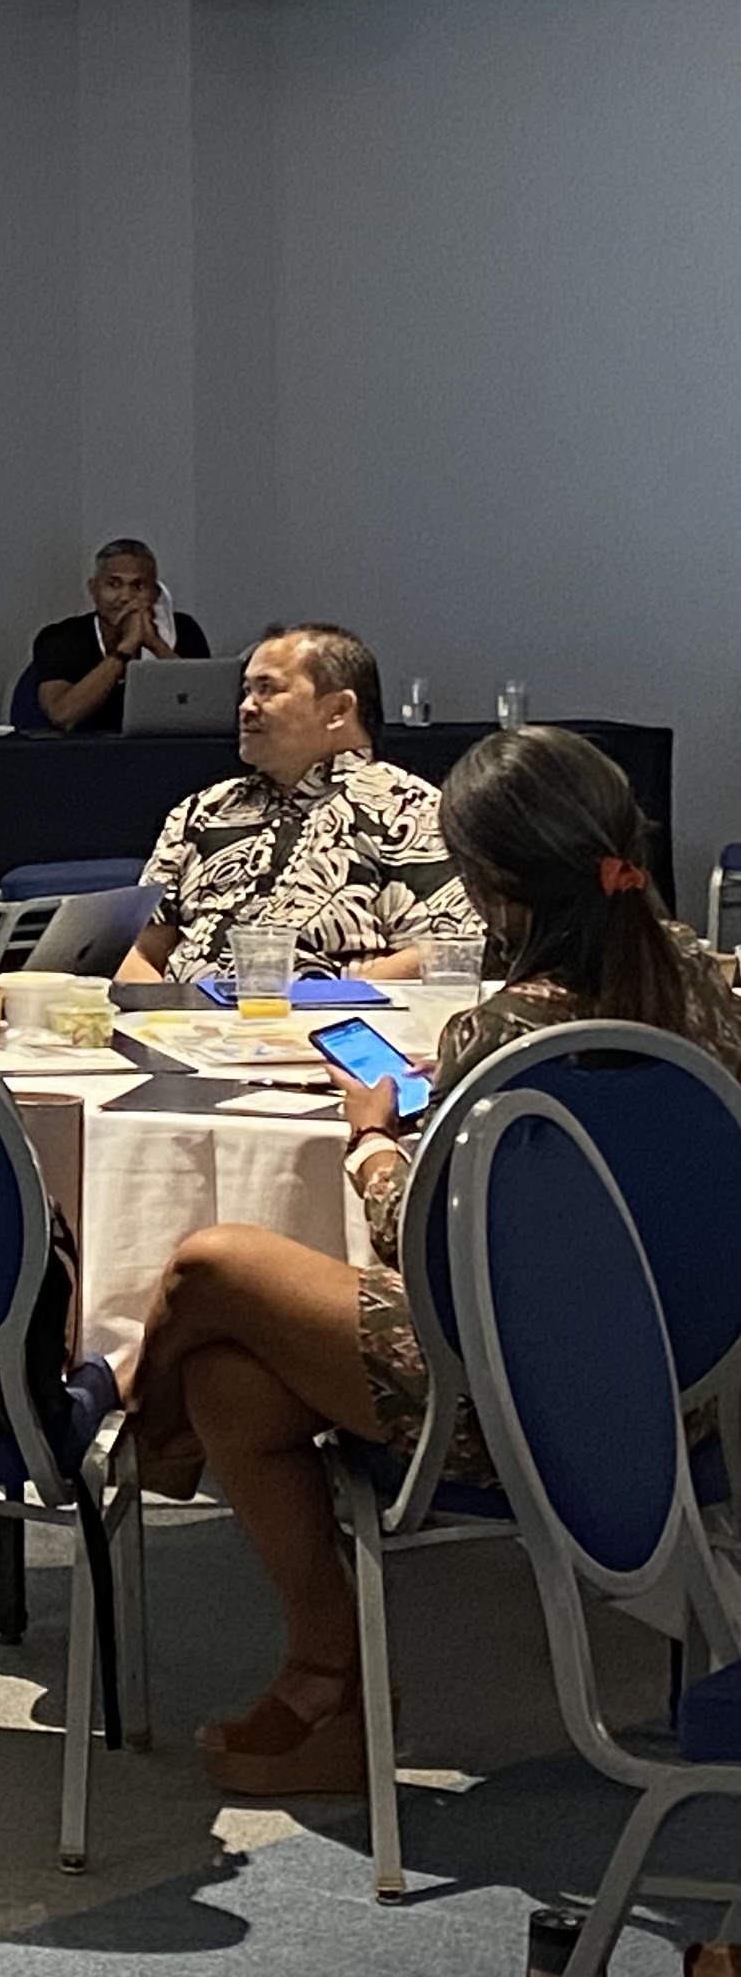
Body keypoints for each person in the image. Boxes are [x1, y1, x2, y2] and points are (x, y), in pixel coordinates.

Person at [126, 726, 741, 1796]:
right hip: (692, 1388)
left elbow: (429, 1241)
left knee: (211, 1268)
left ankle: (154, 1444)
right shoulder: (703, 986)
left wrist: (373, 1142)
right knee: (233, 1374)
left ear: (492, 884)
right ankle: (322, 1684)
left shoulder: (502, 1032)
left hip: (514, 1391)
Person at [118, 623, 482, 984]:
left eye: (267, 689)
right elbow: (137, 949)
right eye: (246, 691)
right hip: (182, 1026)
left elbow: (452, 947)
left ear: (338, 710)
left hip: (329, 1027)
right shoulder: (203, 810)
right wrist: (168, 1021)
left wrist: (329, 1000)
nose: (245, 707)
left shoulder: (407, 807)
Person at [23, 537, 212, 733]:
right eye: (113, 585)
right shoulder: (60, 638)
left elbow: (205, 708)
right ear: (93, 589)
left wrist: (156, 644)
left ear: (155, 594)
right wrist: (124, 650)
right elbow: (63, 715)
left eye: (138, 586)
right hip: (83, 754)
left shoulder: (184, 630)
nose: (125, 597)